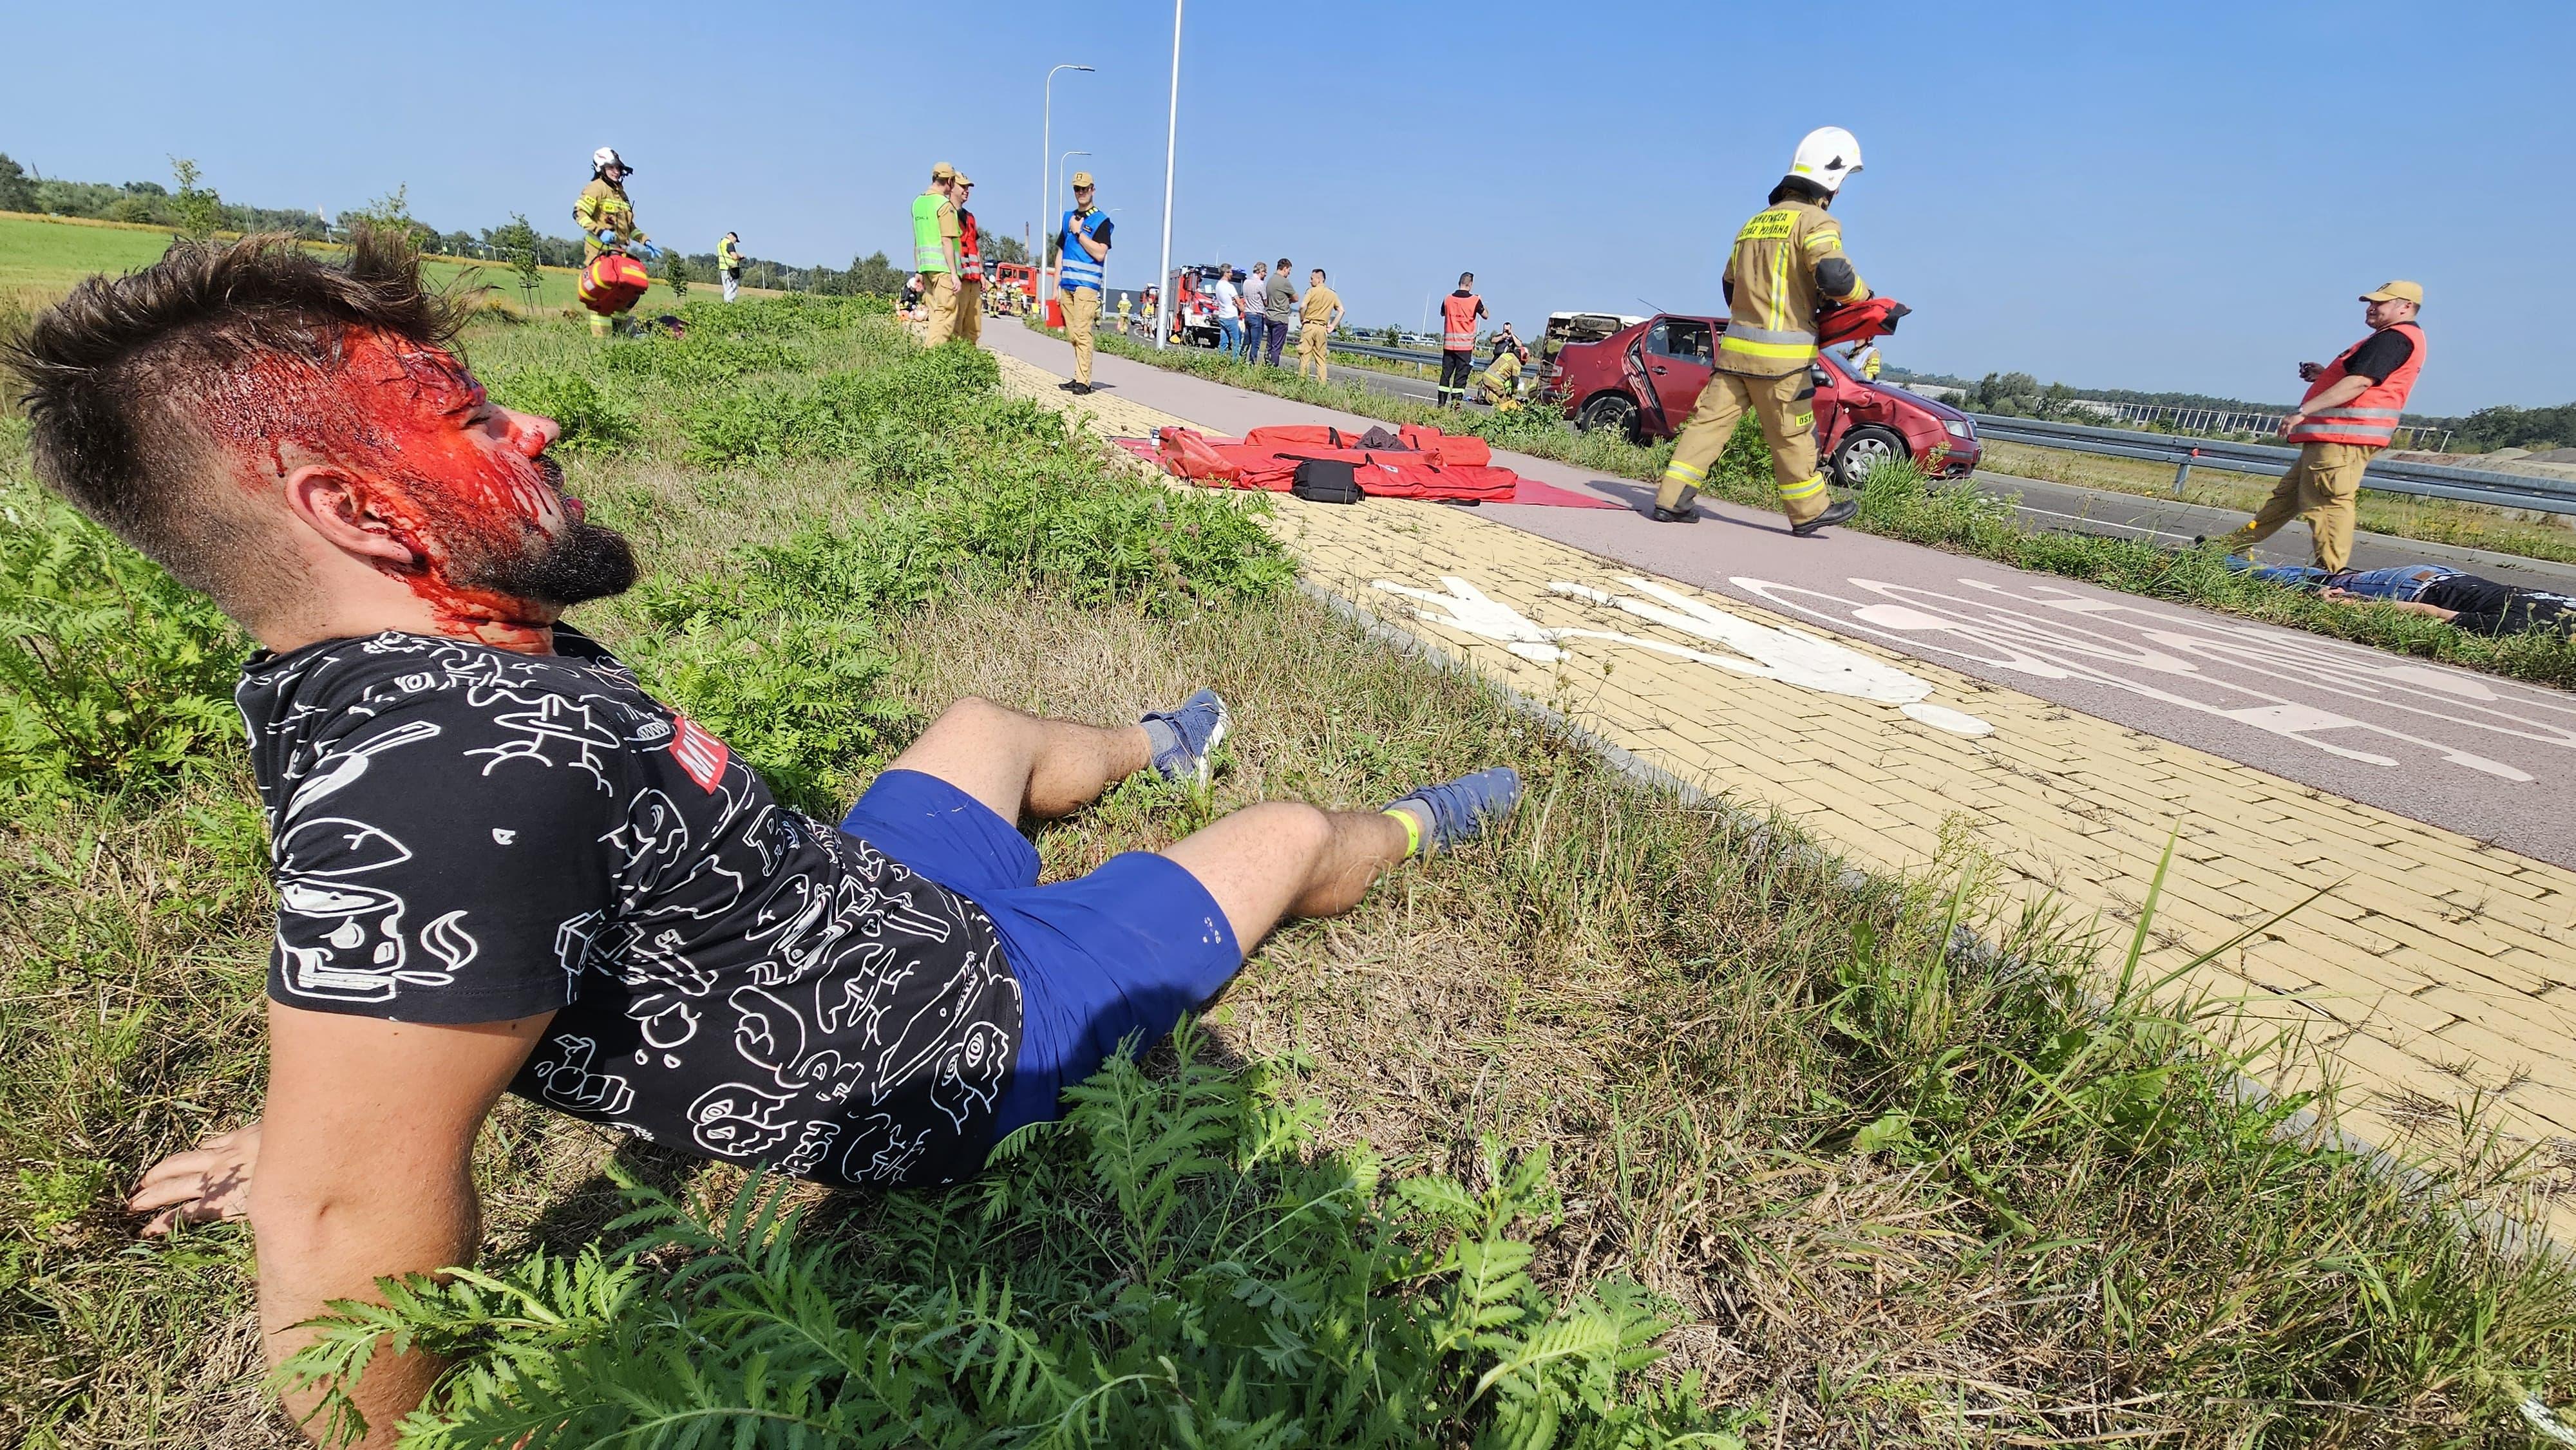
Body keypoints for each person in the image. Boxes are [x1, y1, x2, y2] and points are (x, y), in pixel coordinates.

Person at [3, 233, 1528, 1446]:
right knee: (1280, 835)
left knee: (979, 726)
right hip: (965, 1026)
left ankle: (1156, 743)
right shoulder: (457, 778)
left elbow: (419, 957)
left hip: (849, 901)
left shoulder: (353, 675)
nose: (535, 422)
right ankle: (1413, 820)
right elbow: (340, 1225)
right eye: (469, 418)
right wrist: (327, 1178)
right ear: (350, 503)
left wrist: (312, 1109)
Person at [1653, 126, 1871, 536]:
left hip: (1735, 355)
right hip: (1783, 361)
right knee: (1792, 433)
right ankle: (1808, 511)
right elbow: (1835, 277)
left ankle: (1671, 500)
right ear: (1830, 181)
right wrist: (1866, 296)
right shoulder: (1816, 221)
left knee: (1706, 427)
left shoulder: (1753, 225)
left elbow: (1729, 286)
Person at [2213, 282, 2427, 574]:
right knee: (2286, 499)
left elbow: (2360, 382)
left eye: (2380, 303)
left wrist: (2303, 412)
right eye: (2371, 302)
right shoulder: (2391, 338)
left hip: (2343, 438)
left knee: (2326, 504)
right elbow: (2365, 380)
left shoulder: (2394, 338)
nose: (2371, 308)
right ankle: (2226, 549)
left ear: (2406, 307)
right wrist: (2325, 376)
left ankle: (2331, 577)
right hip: (2335, 437)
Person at [2233, 558, 2575, 637]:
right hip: (2415, 588)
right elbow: (2428, 612)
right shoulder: (2530, 627)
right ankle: (2226, 564)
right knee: (2318, 584)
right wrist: (2361, 604)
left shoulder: (2566, 609)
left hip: (2445, 576)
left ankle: (2232, 562)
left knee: (2321, 576)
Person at [573, 147, 658, 339]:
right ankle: (603, 341)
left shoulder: (621, 193)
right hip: (599, 252)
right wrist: (599, 231)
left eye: (618, 168)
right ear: (601, 168)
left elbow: (629, 226)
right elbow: (579, 213)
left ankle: (620, 336)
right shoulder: (596, 188)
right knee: (603, 298)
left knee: (627, 294)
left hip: (620, 253)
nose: (616, 172)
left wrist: (645, 240)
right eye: (612, 168)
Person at [1054, 171, 1111, 394]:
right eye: (1077, 189)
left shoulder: (1101, 221)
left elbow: (1100, 253)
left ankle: (1084, 382)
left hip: (1086, 286)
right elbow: (1060, 252)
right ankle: (1078, 376)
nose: (1081, 192)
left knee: (1082, 332)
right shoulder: (1068, 217)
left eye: (1085, 188)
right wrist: (1055, 286)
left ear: (1093, 190)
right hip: (1067, 285)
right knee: (1073, 335)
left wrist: (1079, 234)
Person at [912, 162, 964, 346]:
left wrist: (918, 270)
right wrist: (954, 274)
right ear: (949, 181)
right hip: (943, 269)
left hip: (926, 268)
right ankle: (932, 354)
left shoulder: (918, 203)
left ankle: (931, 352)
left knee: (936, 313)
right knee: (946, 313)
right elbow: (946, 240)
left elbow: (917, 240)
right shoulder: (944, 205)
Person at [1437, 272, 1487, 408]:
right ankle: (1456, 407)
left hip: (1449, 346)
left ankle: (1441, 406)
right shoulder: (1474, 300)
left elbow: (1442, 313)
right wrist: (1480, 300)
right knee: (1460, 378)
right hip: (1465, 348)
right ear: (1470, 284)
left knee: (1445, 375)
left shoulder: (1448, 299)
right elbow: (1486, 315)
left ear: (1459, 282)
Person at [952, 175, 985, 346]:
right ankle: (954, 352)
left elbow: (975, 246)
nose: (966, 191)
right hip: (959, 277)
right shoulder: (947, 213)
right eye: (963, 187)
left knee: (974, 323)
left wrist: (982, 274)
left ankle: (970, 353)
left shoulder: (970, 217)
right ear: (952, 186)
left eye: (968, 188)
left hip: (974, 278)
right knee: (956, 320)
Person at [1298, 268, 1341, 382]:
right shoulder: (1332, 294)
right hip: (1322, 328)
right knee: (1321, 359)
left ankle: (1302, 382)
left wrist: (1302, 319)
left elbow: (1302, 306)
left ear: (1319, 279)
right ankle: (1322, 384)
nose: (1310, 281)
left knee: (1305, 357)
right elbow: (1341, 310)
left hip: (1309, 325)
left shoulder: (1311, 291)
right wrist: (1333, 325)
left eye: (1312, 278)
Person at [1262, 257, 1297, 367]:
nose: (1289, 273)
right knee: (1277, 347)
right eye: (1289, 270)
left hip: (1270, 316)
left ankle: (1267, 364)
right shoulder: (1284, 282)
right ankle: (1273, 368)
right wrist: (1288, 300)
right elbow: (1296, 298)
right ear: (1285, 268)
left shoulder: (1270, 280)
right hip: (1280, 318)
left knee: (1269, 345)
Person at [1239, 263, 1271, 364]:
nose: (1265, 274)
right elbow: (1265, 301)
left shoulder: (1246, 282)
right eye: (1265, 272)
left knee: (1246, 341)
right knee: (1255, 343)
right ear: (1261, 271)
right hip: (1257, 314)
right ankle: (1252, 363)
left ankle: (1241, 360)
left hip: (1248, 313)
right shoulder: (1260, 284)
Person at [1212, 267, 1244, 359]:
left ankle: (1220, 358)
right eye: (1230, 272)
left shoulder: (1218, 285)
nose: (1232, 274)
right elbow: (1239, 301)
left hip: (1222, 316)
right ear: (1225, 273)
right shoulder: (1230, 286)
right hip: (1231, 317)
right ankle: (1235, 361)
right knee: (1237, 341)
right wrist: (1244, 310)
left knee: (1224, 340)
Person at [717, 231, 744, 305]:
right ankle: (729, 305)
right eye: (735, 240)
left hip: (723, 268)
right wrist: (740, 257)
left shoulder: (721, 243)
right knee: (732, 289)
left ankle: (726, 304)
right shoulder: (729, 243)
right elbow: (734, 257)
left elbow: (727, 254)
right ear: (733, 237)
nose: (735, 243)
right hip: (731, 269)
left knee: (727, 289)